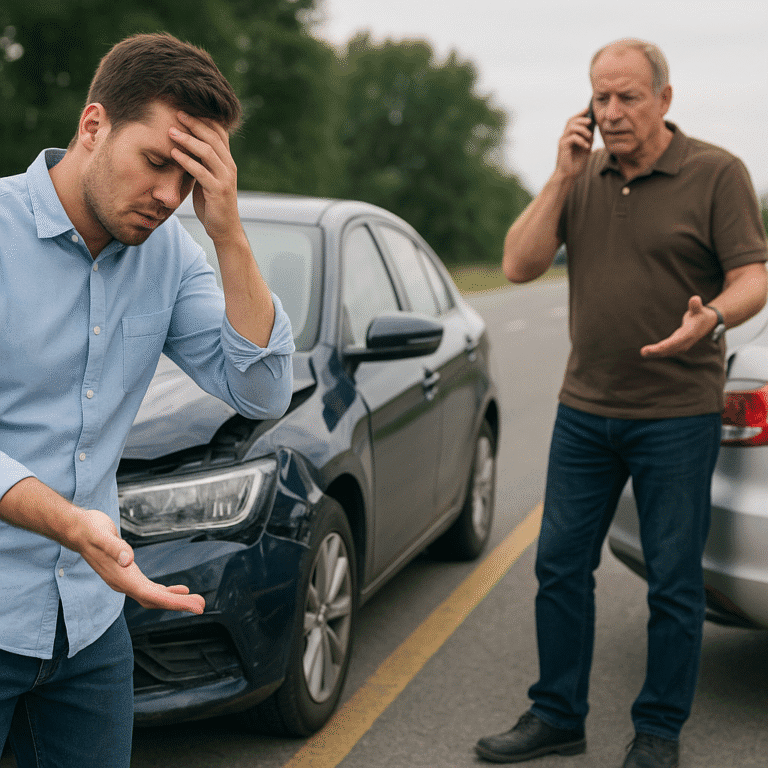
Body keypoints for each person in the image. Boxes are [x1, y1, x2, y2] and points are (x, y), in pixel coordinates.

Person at [0, 32, 295, 767]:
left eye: (190, 177)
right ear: (93, 126)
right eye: (158, 161)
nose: (170, 196)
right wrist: (71, 523)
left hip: (90, 624)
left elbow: (261, 389)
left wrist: (229, 234)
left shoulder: (171, 255)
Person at [475, 38, 768, 768]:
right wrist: (560, 175)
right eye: (600, 97)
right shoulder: (581, 176)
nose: (611, 112)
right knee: (558, 567)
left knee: (673, 583)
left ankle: (658, 732)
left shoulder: (717, 173)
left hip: (677, 415)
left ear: (664, 99)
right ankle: (557, 715)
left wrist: (714, 316)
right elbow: (517, 265)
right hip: (585, 411)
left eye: (627, 97)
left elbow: (753, 277)